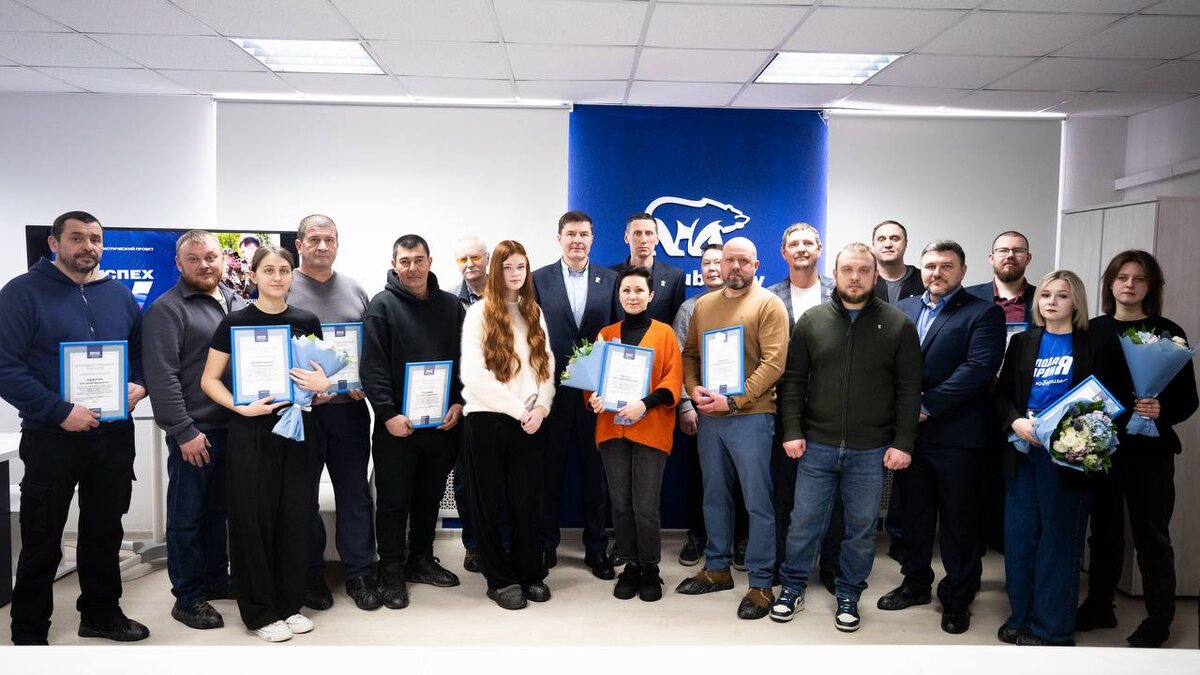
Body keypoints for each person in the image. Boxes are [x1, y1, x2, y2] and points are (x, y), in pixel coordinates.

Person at [1, 211, 149, 645]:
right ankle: (29, 631)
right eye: (77, 238)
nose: (88, 247)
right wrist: (59, 410)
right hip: (52, 436)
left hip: (113, 436)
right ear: (54, 243)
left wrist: (139, 384)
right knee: (42, 537)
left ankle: (101, 614)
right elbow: (6, 368)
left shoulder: (118, 294)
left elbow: (140, 353)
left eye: (95, 239)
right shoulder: (21, 293)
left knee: (105, 530)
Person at [771, 242, 921, 632]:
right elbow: (793, 382)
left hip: (871, 450)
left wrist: (903, 442)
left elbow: (909, 389)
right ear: (834, 274)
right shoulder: (812, 321)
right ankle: (792, 588)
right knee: (803, 523)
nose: (855, 277)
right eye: (848, 270)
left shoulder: (898, 325)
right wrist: (792, 430)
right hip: (816, 445)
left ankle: (849, 592)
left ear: (875, 275)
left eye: (863, 270)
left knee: (860, 529)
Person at [200, 245, 328, 643]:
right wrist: (240, 407)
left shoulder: (307, 320)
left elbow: (319, 382)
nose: (277, 277)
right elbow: (209, 380)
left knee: (295, 517)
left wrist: (323, 385)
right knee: (252, 521)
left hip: (298, 429)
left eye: (284, 270)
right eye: (269, 270)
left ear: (292, 275)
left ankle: (289, 605)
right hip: (251, 432)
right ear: (253, 276)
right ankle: (259, 612)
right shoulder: (234, 323)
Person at [881, 240, 1005, 635]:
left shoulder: (983, 312)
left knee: (959, 523)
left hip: (958, 438)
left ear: (963, 271)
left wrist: (925, 405)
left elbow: (978, 368)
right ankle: (915, 584)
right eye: (931, 265)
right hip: (910, 438)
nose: (937, 272)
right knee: (913, 518)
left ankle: (957, 597)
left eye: (947, 265)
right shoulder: (903, 310)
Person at [1078, 250, 1198, 648]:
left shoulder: (1168, 332)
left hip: (1150, 451)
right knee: (1104, 534)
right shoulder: (1091, 330)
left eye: (1139, 278)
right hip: (1101, 448)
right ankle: (1100, 606)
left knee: (1152, 537)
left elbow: (1188, 400)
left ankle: (1159, 619)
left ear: (1151, 286)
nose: (1130, 284)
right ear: (1110, 283)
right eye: (1122, 277)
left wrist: (1162, 411)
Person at [993, 270, 1113, 646]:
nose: (1051, 301)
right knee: (1020, 538)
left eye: (1061, 295)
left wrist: (1073, 432)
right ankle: (1021, 617)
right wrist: (1015, 421)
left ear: (1075, 302)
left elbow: (1107, 399)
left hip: (1068, 457)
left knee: (1058, 542)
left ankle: (1051, 629)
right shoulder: (1023, 342)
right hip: (1023, 451)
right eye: (1045, 295)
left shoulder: (1094, 344)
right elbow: (1001, 394)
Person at [677, 237, 788, 621]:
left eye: (743, 260)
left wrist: (735, 400)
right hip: (711, 417)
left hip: (752, 417)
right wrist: (694, 388)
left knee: (757, 501)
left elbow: (774, 363)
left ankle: (761, 582)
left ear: (756, 265)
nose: (735, 266)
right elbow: (690, 354)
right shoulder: (704, 305)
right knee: (714, 495)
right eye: (729, 260)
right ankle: (718, 568)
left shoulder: (769, 304)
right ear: (720, 265)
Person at [143, 230, 246, 631]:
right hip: (196, 430)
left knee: (218, 512)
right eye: (194, 259)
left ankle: (216, 578)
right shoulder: (167, 310)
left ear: (223, 260)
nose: (204, 265)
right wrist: (183, 431)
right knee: (187, 516)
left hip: (234, 427)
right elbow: (162, 376)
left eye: (211, 257)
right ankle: (187, 596)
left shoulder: (236, 302)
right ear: (179, 264)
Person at [360, 234, 466, 609]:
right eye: (404, 261)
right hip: (397, 427)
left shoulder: (451, 307)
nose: (412, 268)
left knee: (429, 497)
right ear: (394, 265)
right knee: (393, 502)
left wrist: (459, 402)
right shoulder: (381, 306)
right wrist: (387, 413)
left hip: (440, 426)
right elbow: (372, 367)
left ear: (430, 261)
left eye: (418, 260)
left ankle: (420, 560)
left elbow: (466, 361)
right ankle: (390, 570)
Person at [285, 214, 379, 612]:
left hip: (348, 411)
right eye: (314, 239)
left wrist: (364, 382)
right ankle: (311, 575)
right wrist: (303, 392)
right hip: (301, 413)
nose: (322, 246)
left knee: (354, 493)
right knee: (302, 496)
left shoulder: (356, 290)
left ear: (338, 244)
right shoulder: (283, 286)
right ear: (299, 245)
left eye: (329, 239)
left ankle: (360, 572)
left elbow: (371, 349)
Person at [460, 240, 556, 610]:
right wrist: (520, 411)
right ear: (495, 271)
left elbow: (546, 365)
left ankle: (530, 572)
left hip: (530, 421)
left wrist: (542, 407)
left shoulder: (533, 311)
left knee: (527, 503)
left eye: (521, 267)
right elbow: (474, 375)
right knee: (489, 504)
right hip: (488, 420)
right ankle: (500, 580)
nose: (515, 274)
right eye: (507, 267)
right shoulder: (478, 313)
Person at [532, 211, 621, 578]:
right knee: (548, 474)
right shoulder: (538, 279)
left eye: (584, 234)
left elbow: (616, 335)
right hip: (550, 396)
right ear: (559, 238)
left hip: (594, 396)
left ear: (592, 238)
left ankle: (596, 549)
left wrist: (609, 388)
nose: (577, 240)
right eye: (570, 234)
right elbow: (530, 338)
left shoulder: (611, 280)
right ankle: (545, 545)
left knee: (594, 477)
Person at [586, 267, 683, 602]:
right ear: (619, 295)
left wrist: (644, 404)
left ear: (651, 295)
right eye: (626, 290)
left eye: (639, 290)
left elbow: (673, 380)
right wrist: (594, 398)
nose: (632, 296)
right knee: (621, 504)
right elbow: (591, 382)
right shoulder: (606, 334)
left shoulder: (665, 334)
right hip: (612, 429)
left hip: (650, 428)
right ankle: (630, 564)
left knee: (646, 505)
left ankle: (650, 567)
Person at [764, 222, 840, 593]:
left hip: (834, 407)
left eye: (808, 242)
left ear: (819, 249)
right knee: (786, 491)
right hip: (785, 407)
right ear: (784, 252)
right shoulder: (769, 296)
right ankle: (784, 561)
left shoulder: (839, 292)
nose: (801, 248)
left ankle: (832, 564)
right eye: (794, 243)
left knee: (835, 492)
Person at [672, 243, 747, 567]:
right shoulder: (690, 308)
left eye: (719, 261)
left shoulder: (749, 303)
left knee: (743, 477)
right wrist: (685, 405)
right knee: (699, 476)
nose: (713, 268)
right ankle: (698, 535)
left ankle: (742, 539)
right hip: (700, 408)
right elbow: (678, 358)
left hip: (741, 407)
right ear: (700, 270)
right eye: (707, 263)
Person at [965, 230, 1037, 556]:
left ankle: (1009, 549)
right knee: (975, 485)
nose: (1010, 255)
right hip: (975, 402)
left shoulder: (1044, 299)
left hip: (1022, 407)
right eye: (1003, 250)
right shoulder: (968, 298)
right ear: (991, 257)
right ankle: (974, 555)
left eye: (1018, 250)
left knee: (1016, 481)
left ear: (1028, 258)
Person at [448, 235, 491, 574]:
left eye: (475, 257)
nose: (470, 264)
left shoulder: (508, 296)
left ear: (487, 259)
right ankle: (474, 546)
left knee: (501, 480)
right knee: (465, 481)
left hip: (504, 404)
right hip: (465, 405)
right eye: (463, 259)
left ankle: (501, 543)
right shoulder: (450, 303)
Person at [609, 212, 686, 325]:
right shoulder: (610, 275)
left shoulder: (675, 276)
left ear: (657, 238)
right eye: (637, 233)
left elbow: (677, 323)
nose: (643, 240)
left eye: (649, 233)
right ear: (626, 238)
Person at [872, 220, 924, 304]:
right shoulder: (864, 281)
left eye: (895, 239)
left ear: (905, 243)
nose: (888, 244)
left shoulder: (924, 280)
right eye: (881, 239)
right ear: (873, 244)